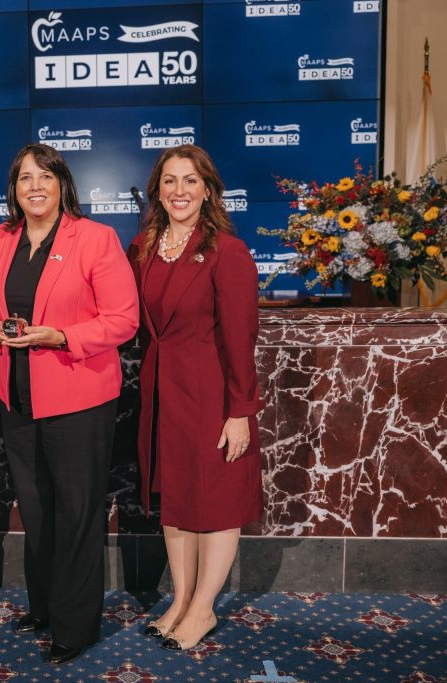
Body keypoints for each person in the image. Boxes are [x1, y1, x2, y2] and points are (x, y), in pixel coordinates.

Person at [0, 143, 139, 665]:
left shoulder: (95, 238)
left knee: (76, 513)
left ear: (63, 184)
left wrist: (61, 336)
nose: (36, 186)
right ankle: (44, 606)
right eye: (26, 178)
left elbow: (124, 318)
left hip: (78, 399)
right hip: (16, 398)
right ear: (14, 189)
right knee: (37, 510)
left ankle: (75, 625)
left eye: (46, 176)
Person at [129, 144, 264, 652]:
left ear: (208, 190)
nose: (179, 190)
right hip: (162, 395)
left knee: (215, 502)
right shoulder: (142, 247)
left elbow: (240, 339)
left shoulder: (228, 252)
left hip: (211, 397)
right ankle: (181, 599)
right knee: (175, 499)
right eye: (169, 180)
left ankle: (204, 608)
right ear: (157, 190)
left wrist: (241, 412)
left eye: (190, 181)